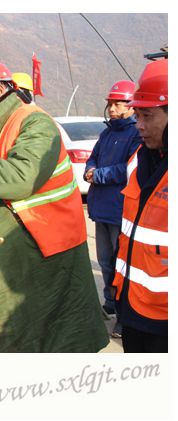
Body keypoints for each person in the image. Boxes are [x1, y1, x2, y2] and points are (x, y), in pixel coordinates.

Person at [0, 58, 109, 352]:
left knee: (55, 337)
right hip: (16, 250)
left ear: (1, 89)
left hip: (49, 249)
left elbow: (23, 175)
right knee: (18, 335)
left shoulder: (35, 123)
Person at [112, 58, 168, 353]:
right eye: (137, 115)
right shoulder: (137, 160)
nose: (140, 126)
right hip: (132, 304)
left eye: (148, 116)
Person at [84, 80, 142, 339]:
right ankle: (110, 301)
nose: (112, 109)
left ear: (131, 107)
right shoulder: (107, 134)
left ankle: (123, 315)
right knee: (106, 262)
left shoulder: (136, 134)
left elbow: (128, 169)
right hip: (101, 209)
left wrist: (98, 175)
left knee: (121, 266)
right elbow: (93, 157)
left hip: (120, 210)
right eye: (110, 104)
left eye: (118, 104)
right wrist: (90, 168)